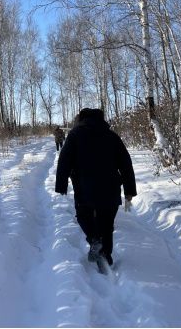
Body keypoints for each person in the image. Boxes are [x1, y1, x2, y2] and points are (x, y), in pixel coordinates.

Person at [55, 108, 136, 267]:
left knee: (83, 215)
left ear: (81, 118)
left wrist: (61, 185)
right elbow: (126, 164)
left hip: (85, 188)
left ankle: (94, 239)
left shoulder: (75, 135)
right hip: (110, 189)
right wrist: (129, 191)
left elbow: (64, 161)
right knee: (106, 224)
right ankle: (106, 257)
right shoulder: (112, 136)